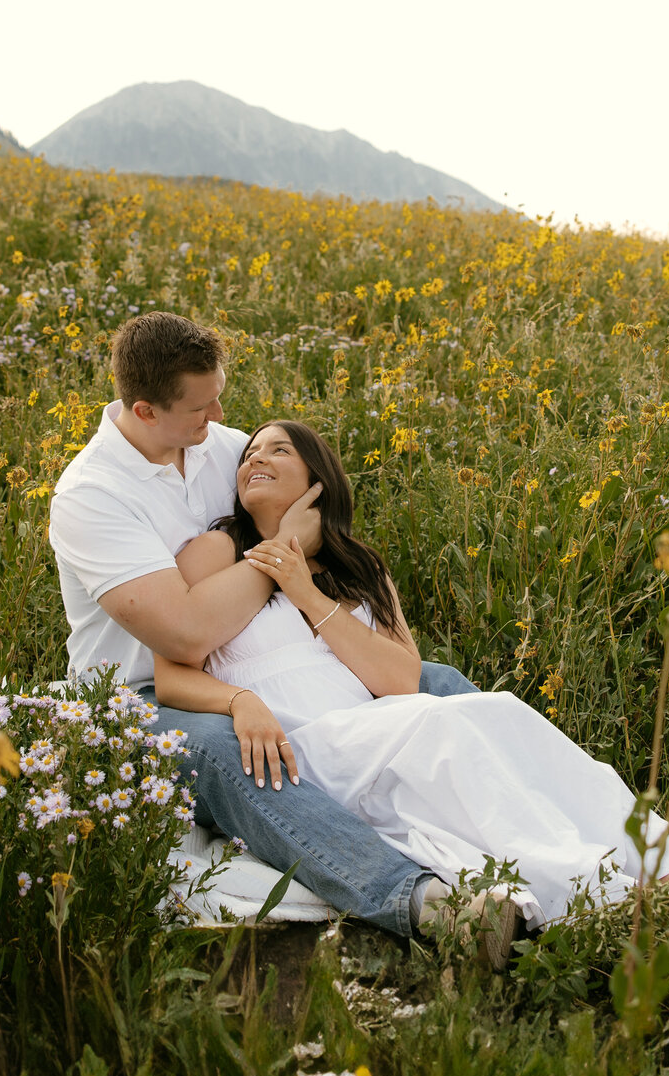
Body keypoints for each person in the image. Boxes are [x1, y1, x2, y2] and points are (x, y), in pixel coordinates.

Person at [151, 419, 669, 952]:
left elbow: (401, 677)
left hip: (375, 730)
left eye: (278, 449)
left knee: (498, 712)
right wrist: (239, 698)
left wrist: (303, 585)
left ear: (317, 479)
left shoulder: (357, 566)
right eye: (250, 453)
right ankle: (600, 890)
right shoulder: (215, 550)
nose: (255, 458)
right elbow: (171, 670)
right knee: (446, 721)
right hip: (302, 746)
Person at [48, 312, 476, 941]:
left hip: (258, 655)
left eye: (219, 393)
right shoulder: (93, 496)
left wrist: (307, 561)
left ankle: (598, 828)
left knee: (433, 683)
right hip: (141, 694)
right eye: (202, 406)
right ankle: (419, 901)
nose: (220, 415)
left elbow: (311, 514)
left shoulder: (222, 448)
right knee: (232, 751)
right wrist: (282, 552)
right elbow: (185, 638)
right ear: (144, 411)